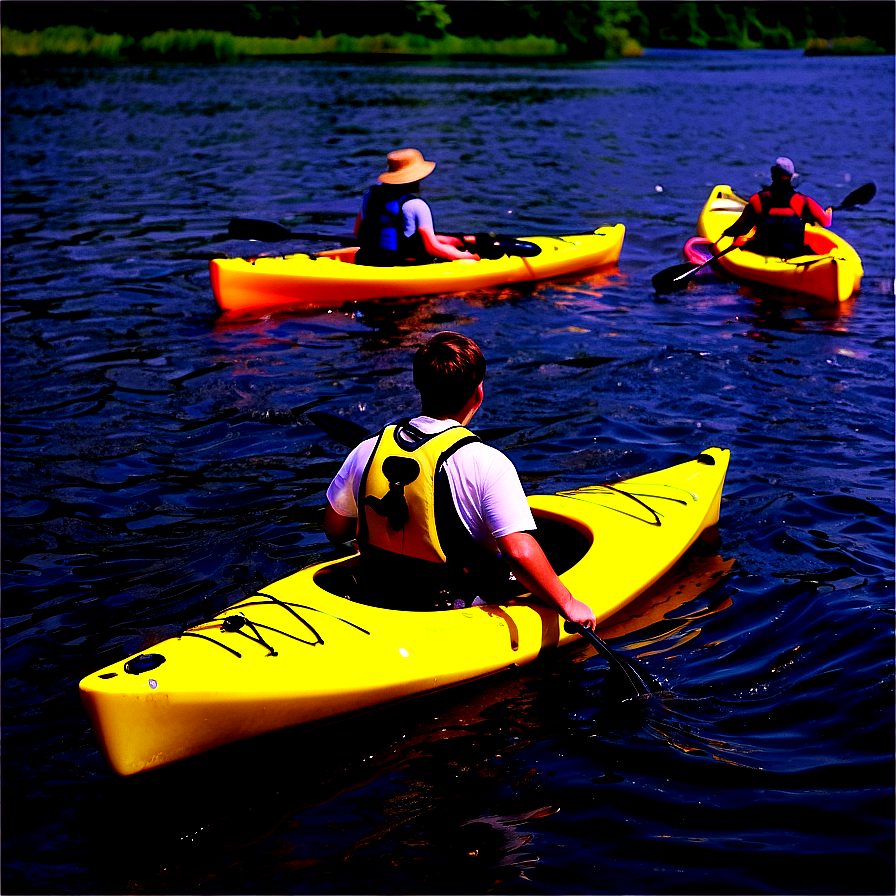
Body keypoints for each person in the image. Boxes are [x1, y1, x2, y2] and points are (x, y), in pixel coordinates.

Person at [324, 331, 597, 630]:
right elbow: (518, 552)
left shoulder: (368, 449)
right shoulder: (487, 463)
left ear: (419, 386)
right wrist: (568, 603)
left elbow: (335, 530)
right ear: (478, 393)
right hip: (449, 611)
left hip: (378, 595)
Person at [353, 148, 480, 266]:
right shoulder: (417, 205)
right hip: (401, 264)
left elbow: (358, 232)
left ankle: (459, 241)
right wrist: (465, 256)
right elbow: (432, 248)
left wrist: (451, 242)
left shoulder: (369, 196)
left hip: (366, 260)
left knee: (444, 240)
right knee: (440, 248)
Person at [716, 157, 833, 258]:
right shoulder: (803, 201)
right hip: (793, 253)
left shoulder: (757, 199)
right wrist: (829, 212)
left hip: (762, 250)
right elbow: (825, 222)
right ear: (792, 176)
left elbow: (741, 229)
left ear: (772, 173)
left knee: (744, 242)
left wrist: (724, 234)